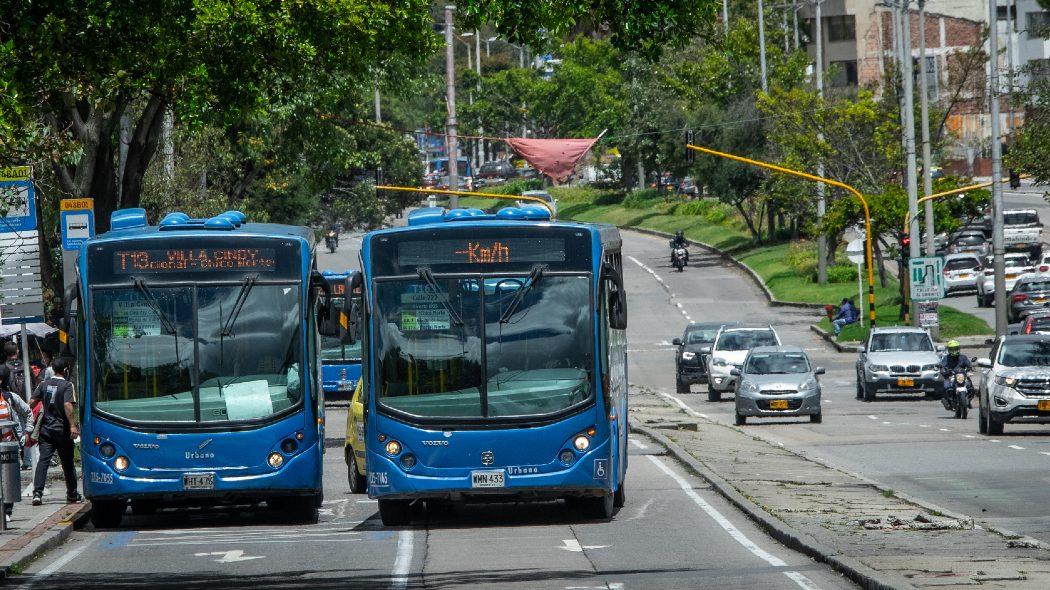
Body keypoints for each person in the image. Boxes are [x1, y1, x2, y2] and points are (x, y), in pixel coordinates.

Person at [30, 357, 81, 506]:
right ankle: (72, 494)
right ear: (65, 370)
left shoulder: (43, 384)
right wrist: (72, 425)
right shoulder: (67, 385)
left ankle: (37, 494)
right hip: (62, 430)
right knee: (67, 462)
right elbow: (67, 404)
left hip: (46, 429)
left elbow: (31, 402)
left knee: (43, 461)